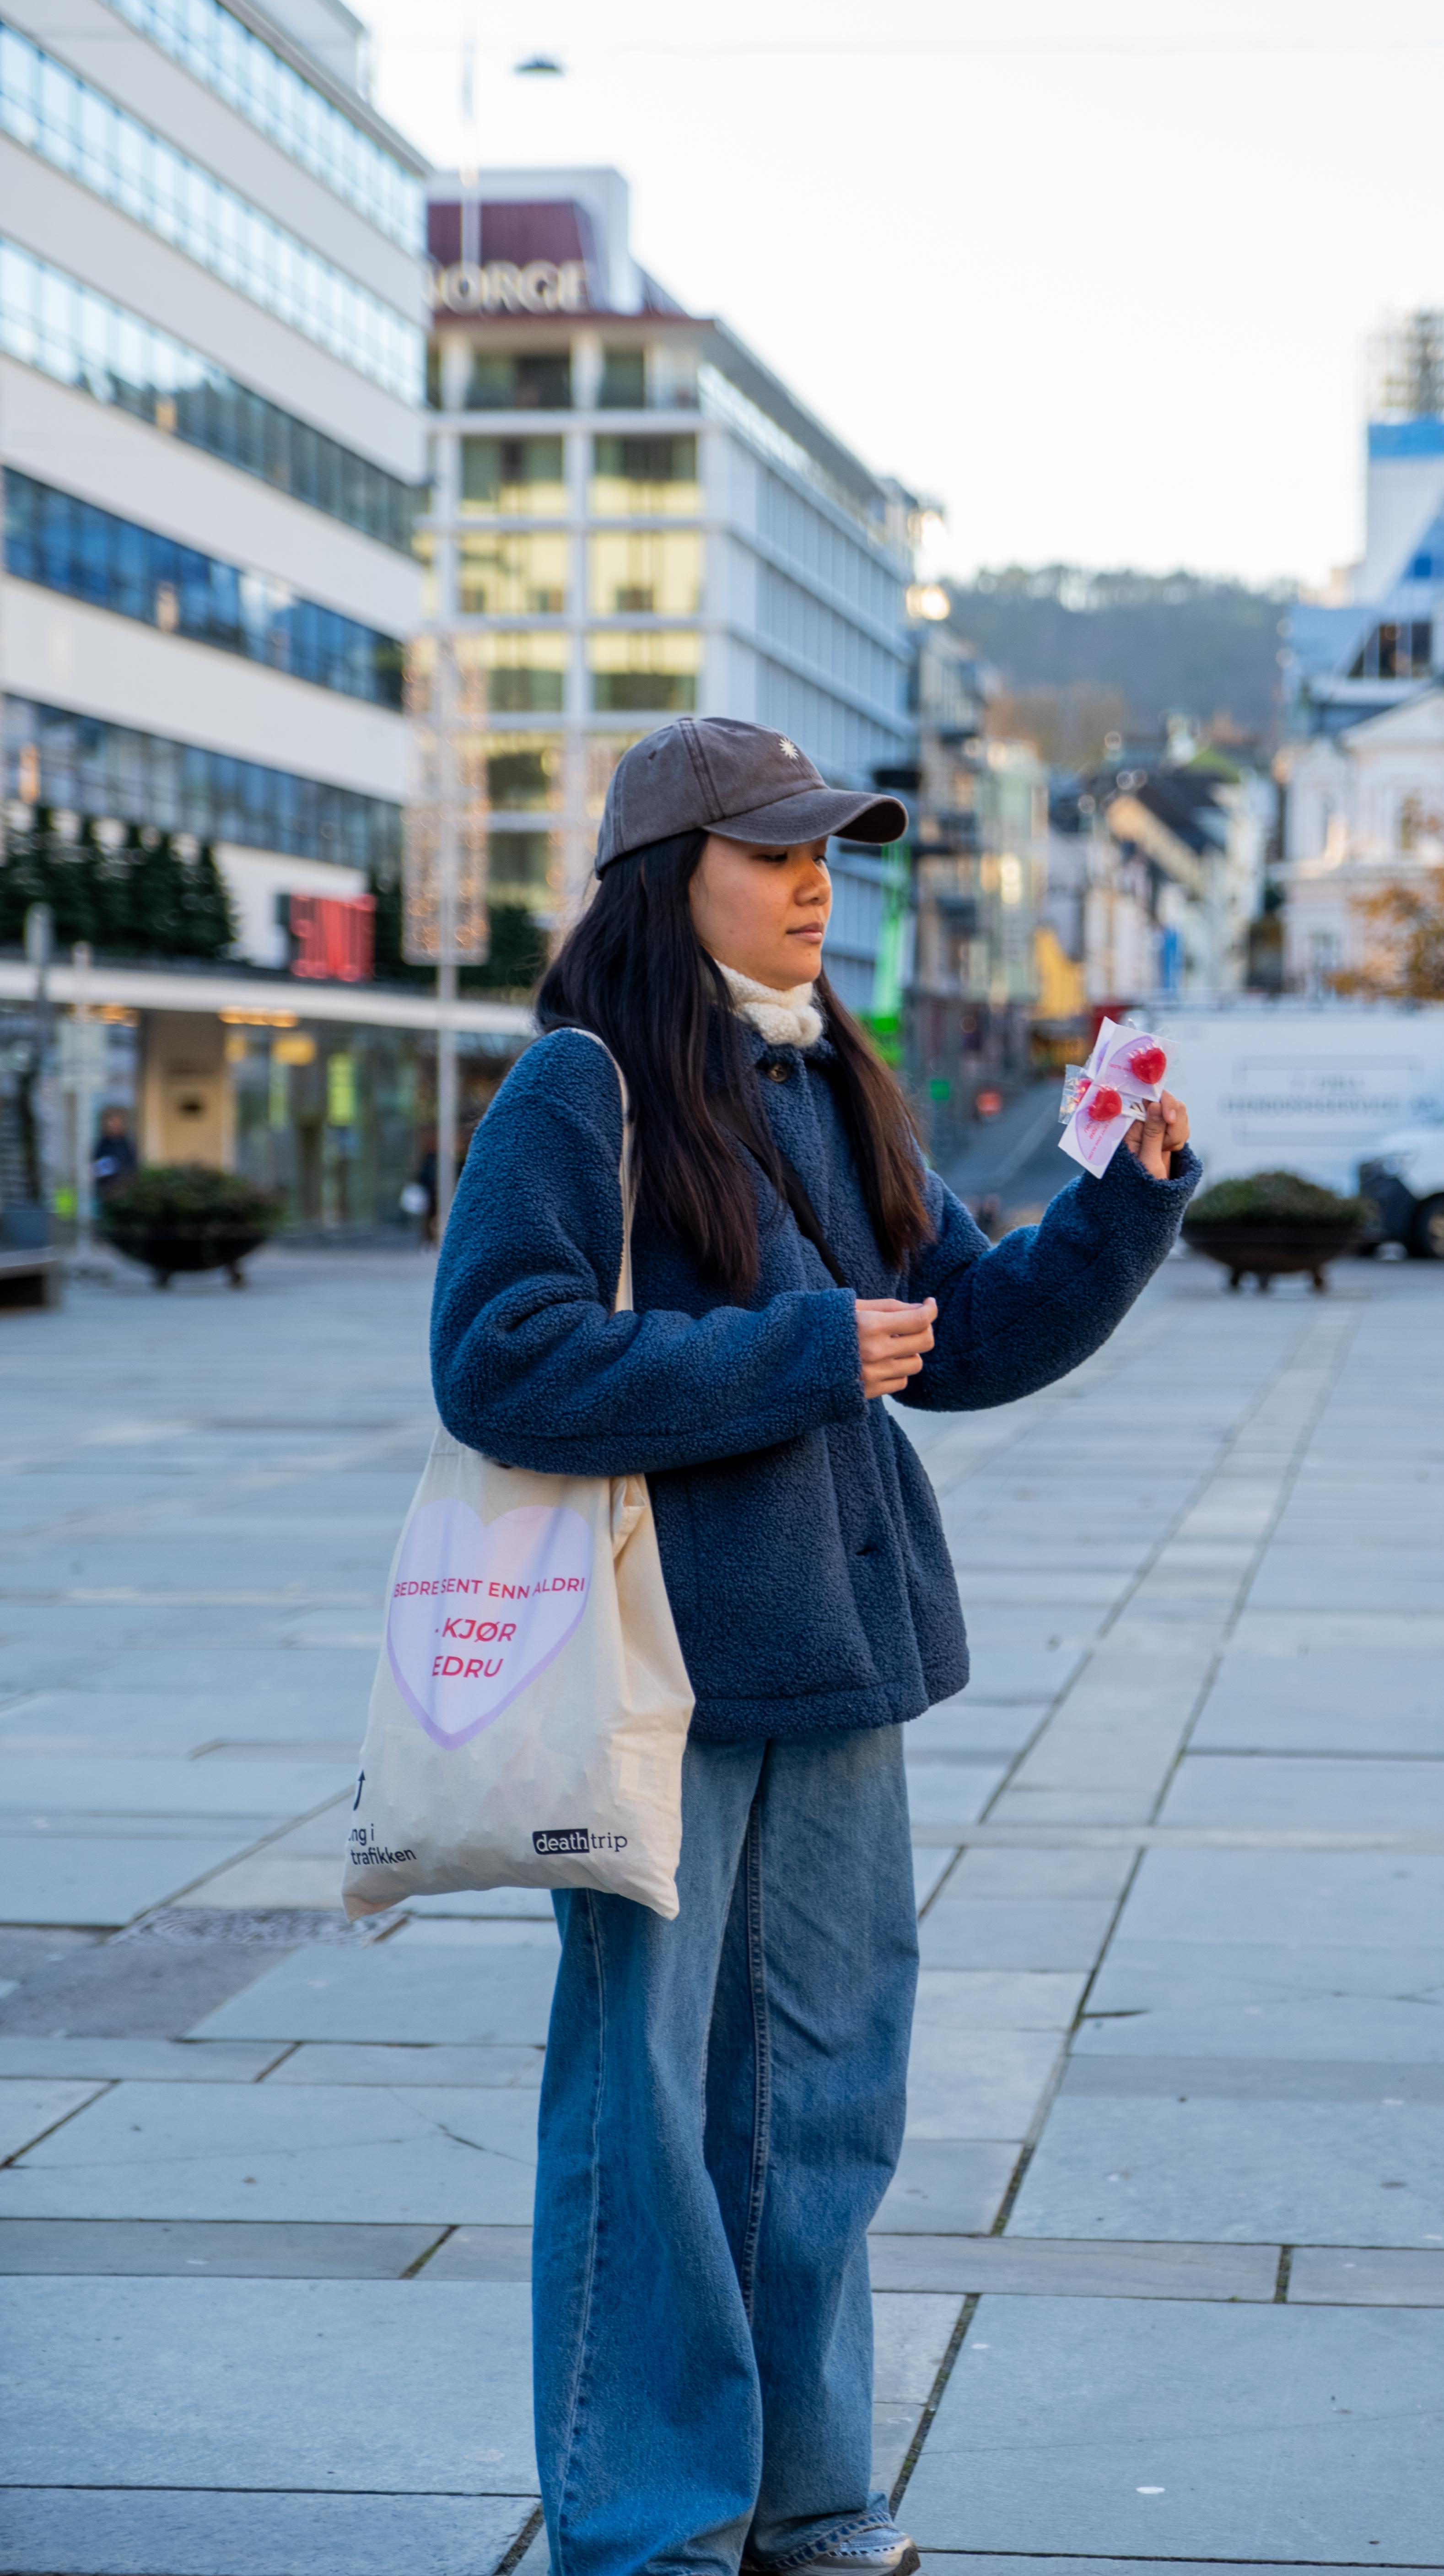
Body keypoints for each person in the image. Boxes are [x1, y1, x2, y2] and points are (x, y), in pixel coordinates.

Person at [430, 718, 1195, 2576]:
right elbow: (495, 1359)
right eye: (772, 851)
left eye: (828, 855)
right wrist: (791, 1350)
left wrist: (1122, 1203)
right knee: (653, 2122)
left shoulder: (830, 1081)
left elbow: (964, 1334)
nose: (812, 885)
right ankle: (657, 2524)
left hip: (842, 1668)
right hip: (663, 1685)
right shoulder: (578, 1087)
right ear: (660, 875)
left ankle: (813, 2501)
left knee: (827, 2110)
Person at [91, 1106, 137, 1191]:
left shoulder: (126, 1143)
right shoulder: (103, 1144)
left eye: (117, 1122)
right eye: (112, 1121)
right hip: (107, 1188)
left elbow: (132, 1164)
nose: (114, 1125)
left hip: (125, 1187)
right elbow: (97, 1165)